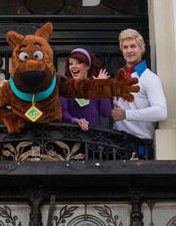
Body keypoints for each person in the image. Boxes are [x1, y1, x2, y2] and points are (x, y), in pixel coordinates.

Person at [111, 29, 166, 157]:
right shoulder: (119, 77)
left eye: (133, 46)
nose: (129, 50)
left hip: (140, 148)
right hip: (116, 145)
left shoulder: (149, 78)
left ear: (142, 49)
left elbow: (161, 112)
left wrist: (126, 114)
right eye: (125, 47)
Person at [59, 47, 111, 132]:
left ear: (88, 66)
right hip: (72, 138)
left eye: (78, 63)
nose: (73, 67)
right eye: (70, 64)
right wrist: (75, 120)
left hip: (95, 139)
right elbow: (62, 113)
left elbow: (106, 112)